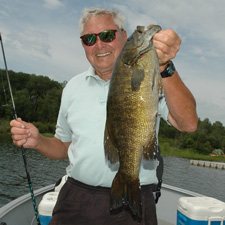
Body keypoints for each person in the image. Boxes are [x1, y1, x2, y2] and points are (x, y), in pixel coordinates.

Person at [10, 8, 198, 225]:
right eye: (89, 39)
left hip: (134, 196)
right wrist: (38, 141)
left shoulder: (151, 76)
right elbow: (64, 147)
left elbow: (188, 124)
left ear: (124, 36)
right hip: (74, 196)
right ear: (83, 44)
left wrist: (164, 67)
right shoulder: (72, 87)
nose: (99, 45)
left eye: (107, 35)